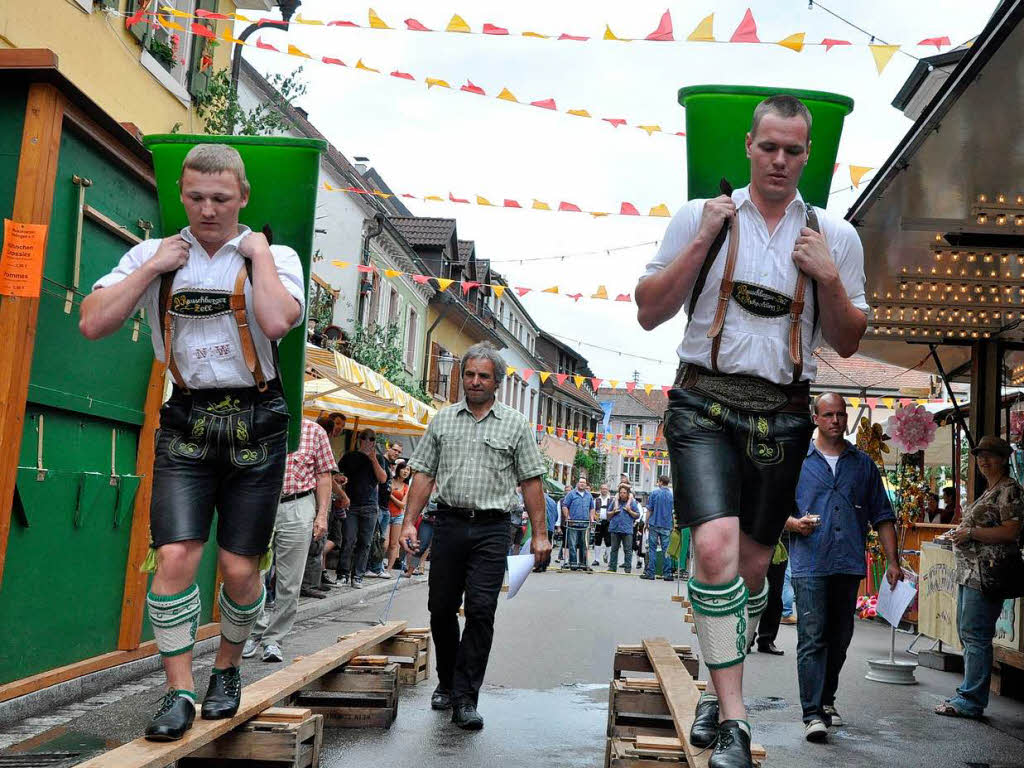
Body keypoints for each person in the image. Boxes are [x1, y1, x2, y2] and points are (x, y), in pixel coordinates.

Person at [636, 94, 869, 767]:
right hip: (702, 401)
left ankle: (715, 688)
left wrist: (827, 277)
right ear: (748, 144)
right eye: (769, 146)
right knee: (713, 548)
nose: (780, 160)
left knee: (753, 568)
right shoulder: (699, 216)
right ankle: (735, 721)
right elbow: (651, 312)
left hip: (783, 411)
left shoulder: (836, 235)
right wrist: (705, 237)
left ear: (808, 155)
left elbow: (849, 341)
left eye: (794, 150)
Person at [79, 144, 305, 740]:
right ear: (182, 193)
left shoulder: (274, 254)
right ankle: (177, 690)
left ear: (243, 197)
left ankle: (226, 669)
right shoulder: (152, 255)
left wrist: (255, 254)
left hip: (256, 416)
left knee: (237, 566)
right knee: (177, 555)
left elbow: (279, 323)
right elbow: (93, 322)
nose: (208, 210)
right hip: (187, 415)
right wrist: (153, 268)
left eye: (221, 199)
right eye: (197, 197)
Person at [400, 343, 550, 730]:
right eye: (469, 374)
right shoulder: (443, 420)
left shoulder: (515, 424)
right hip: (448, 523)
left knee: (482, 611)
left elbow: (531, 481)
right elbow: (423, 475)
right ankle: (448, 683)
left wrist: (540, 535)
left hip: (492, 527)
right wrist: (407, 523)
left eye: (484, 376)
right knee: (440, 608)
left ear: (497, 382)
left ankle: (466, 698)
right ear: (461, 377)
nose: (475, 381)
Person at [790, 393, 901, 742]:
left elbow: (883, 515)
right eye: (828, 415)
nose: (835, 421)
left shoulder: (863, 464)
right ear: (816, 418)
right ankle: (812, 713)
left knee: (839, 639)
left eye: (840, 415)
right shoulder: (797, 461)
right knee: (812, 636)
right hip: (810, 561)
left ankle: (826, 699)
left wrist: (893, 562)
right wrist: (793, 525)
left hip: (849, 561)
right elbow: (773, 509)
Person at [935, 436, 1024, 720]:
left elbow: (1011, 531)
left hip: (988, 572)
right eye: (980, 455)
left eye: (991, 455)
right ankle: (967, 693)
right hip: (971, 572)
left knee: (976, 635)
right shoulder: (991, 489)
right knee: (968, 633)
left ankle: (971, 700)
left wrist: (970, 533)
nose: (984, 460)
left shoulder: (1010, 490)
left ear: (1003, 459)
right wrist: (960, 534)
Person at [244, 418, 335, 662]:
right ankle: (253, 632)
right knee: (252, 573)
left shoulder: (313, 431)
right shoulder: (258, 422)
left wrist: (322, 515)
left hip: (298, 503)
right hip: (259, 503)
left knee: (290, 580)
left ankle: (274, 639)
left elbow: (324, 476)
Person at [337, 429, 388, 589]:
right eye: (365, 438)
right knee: (348, 540)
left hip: (370, 506)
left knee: (365, 543)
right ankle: (342, 574)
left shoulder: (379, 458)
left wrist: (373, 459)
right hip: (351, 504)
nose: (368, 441)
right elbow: (338, 475)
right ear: (359, 439)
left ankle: (358, 575)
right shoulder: (349, 456)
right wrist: (341, 480)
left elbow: (383, 479)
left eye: (371, 439)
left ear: (374, 441)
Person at [367, 441, 403, 579]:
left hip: (384, 506)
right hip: (377, 505)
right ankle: (371, 567)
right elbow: (378, 482)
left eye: (399, 452)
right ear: (388, 448)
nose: (397, 453)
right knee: (375, 539)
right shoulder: (381, 459)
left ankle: (377, 567)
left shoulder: (389, 465)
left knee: (380, 540)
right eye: (395, 450)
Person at [748, 539, 788, 655]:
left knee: (774, 595)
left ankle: (767, 639)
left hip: (776, 547)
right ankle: (746, 638)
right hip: (751, 543)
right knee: (749, 595)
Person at [642, 476, 677, 581]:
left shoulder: (654, 493)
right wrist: (673, 525)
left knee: (652, 549)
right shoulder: (671, 496)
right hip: (666, 526)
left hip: (654, 523)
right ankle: (667, 574)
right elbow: (673, 512)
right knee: (666, 550)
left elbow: (649, 510)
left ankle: (651, 572)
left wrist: (646, 522)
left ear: (661, 482)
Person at [562, 476, 596, 571]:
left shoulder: (589, 495)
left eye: (584, 482)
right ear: (577, 483)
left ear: (586, 484)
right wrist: (568, 517)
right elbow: (564, 505)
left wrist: (592, 518)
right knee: (572, 544)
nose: (582, 484)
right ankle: (573, 563)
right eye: (580, 482)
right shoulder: (571, 494)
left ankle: (583, 564)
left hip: (585, 524)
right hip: (573, 523)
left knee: (584, 545)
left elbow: (592, 508)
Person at [607, 484, 640, 573]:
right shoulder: (614, 502)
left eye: (624, 493)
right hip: (615, 528)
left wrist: (629, 511)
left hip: (627, 530)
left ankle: (628, 568)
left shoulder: (632, 503)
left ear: (627, 494)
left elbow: (637, 515)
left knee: (628, 550)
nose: (622, 494)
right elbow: (608, 514)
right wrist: (613, 511)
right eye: (621, 492)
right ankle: (612, 567)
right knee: (614, 549)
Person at [386, 461, 411, 570]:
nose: (406, 471)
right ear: (398, 469)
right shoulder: (390, 481)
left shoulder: (406, 486)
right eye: (404, 468)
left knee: (394, 544)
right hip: (386, 513)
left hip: (398, 516)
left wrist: (390, 495)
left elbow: (402, 505)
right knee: (384, 543)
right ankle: (378, 566)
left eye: (408, 470)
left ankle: (389, 569)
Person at [537, 490, 560, 573]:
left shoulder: (539, 499)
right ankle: (545, 564)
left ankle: (540, 565)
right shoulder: (553, 501)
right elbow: (556, 516)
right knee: (548, 545)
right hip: (550, 527)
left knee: (540, 546)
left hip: (542, 526)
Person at [594, 483, 614, 565]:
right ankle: (597, 559)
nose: (604, 490)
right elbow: (593, 510)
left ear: (608, 490)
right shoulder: (596, 500)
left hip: (608, 522)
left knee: (608, 541)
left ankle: (608, 559)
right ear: (600, 489)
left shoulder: (612, 500)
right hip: (598, 522)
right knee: (597, 540)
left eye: (605, 489)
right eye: (602, 488)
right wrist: (594, 517)